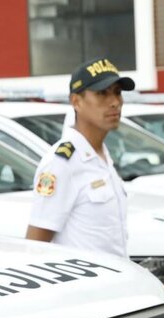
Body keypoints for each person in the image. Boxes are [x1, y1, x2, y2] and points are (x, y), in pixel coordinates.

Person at [25, 57, 132, 257]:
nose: (115, 102)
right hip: (88, 285)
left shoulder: (101, 154)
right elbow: (35, 247)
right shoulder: (62, 163)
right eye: (102, 93)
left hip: (116, 283)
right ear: (76, 101)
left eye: (117, 93)